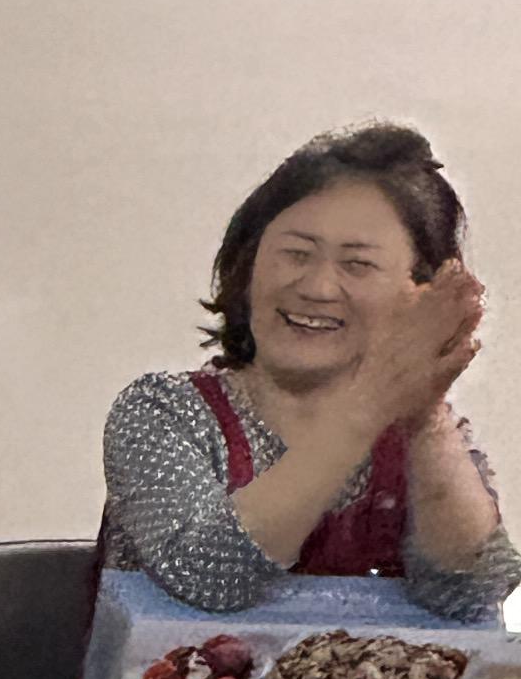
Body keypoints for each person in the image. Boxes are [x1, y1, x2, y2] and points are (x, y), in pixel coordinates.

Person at [98, 124, 517, 618]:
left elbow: (470, 598)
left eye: (357, 265)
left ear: (421, 295)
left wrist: (426, 415)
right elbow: (209, 576)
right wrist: (366, 406)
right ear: (247, 265)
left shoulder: (432, 437)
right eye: (296, 254)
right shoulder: (160, 411)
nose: (317, 287)